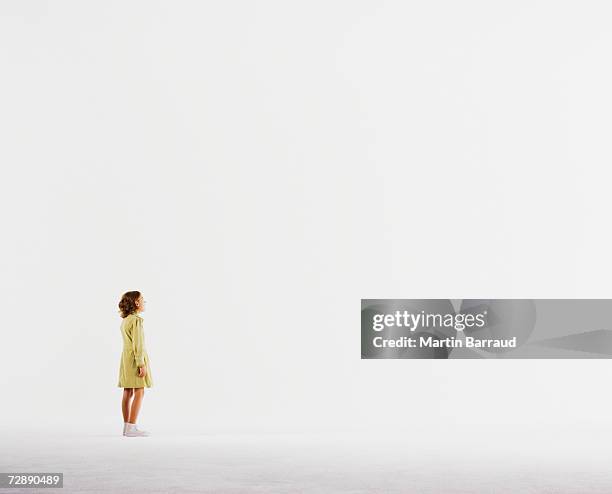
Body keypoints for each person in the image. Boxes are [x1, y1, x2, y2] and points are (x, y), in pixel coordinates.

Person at [117, 291, 153, 437]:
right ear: (136, 303)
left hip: (126, 358)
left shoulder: (126, 320)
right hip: (134, 358)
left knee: (127, 391)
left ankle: (127, 426)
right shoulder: (136, 320)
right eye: (142, 299)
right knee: (139, 391)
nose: (145, 302)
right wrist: (141, 363)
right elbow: (138, 344)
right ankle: (132, 427)